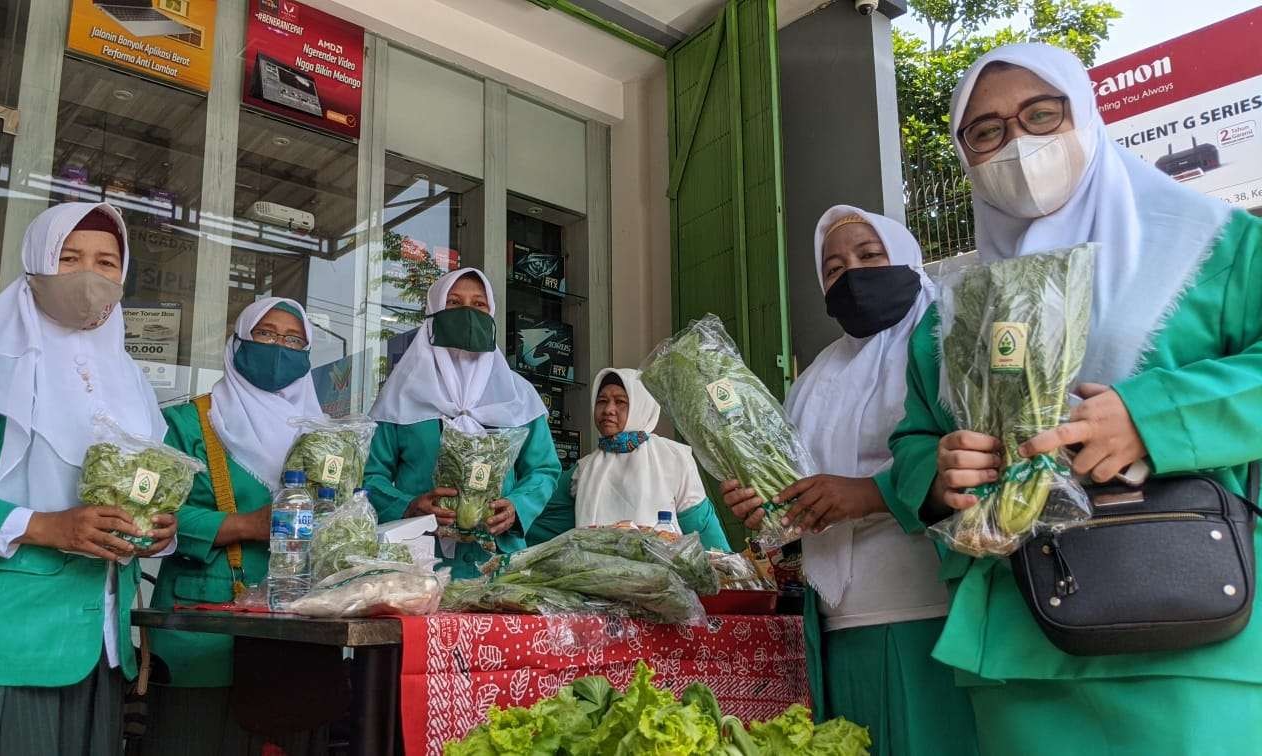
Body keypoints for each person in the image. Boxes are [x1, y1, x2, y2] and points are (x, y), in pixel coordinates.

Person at [888, 43, 1262, 756]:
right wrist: (937, 475)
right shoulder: (952, 309)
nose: (1018, 145)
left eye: (1041, 114)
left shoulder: (1216, 244)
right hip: (1022, 641)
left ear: (1085, 117)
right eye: (987, 131)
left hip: (1190, 632)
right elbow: (912, 438)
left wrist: (1152, 418)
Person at [0, 202, 174, 753]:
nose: (89, 274)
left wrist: (158, 529)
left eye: (107, 262)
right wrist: (38, 525)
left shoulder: (132, 386)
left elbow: (142, 491)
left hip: (99, 649)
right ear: (35, 265)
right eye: (69, 256)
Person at [721, 206, 977, 755]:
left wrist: (866, 494)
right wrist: (767, 508)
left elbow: (966, 450)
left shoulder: (943, 339)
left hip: (925, 609)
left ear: (905, 256)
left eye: (869, 255)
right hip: (834, 620)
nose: (852, 274)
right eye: (834, 268)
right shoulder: (816, 376)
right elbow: (795, 488)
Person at [139, 298, 330, 755]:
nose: (279, 347)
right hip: (203, 629)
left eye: (293, 340)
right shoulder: (187, 422)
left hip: (297, 631)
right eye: (265, 334)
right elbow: (153, 515)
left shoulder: (325, 438)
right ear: (238, 342)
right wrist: (245, 525)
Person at [366, 268, 560, 578]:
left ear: (491, 314)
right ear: (433, 315)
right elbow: (370, 475)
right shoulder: (401, 394)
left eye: (479, 304)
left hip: (497, 564)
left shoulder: (517, 394)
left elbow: (544, 470)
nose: (468, 313)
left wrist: (516, 507)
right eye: (454, 303)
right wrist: (408, 506)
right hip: (416, 562)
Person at [529, 368, 730, 550]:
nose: (608, 409)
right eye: (602, 401)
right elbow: (536, 514)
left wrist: (729, 572)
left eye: (620, 402)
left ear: (641, 406)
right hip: (597, 579)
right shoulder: (584, 469)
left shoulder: (673, 458)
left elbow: (701, 526)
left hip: (663, 581)